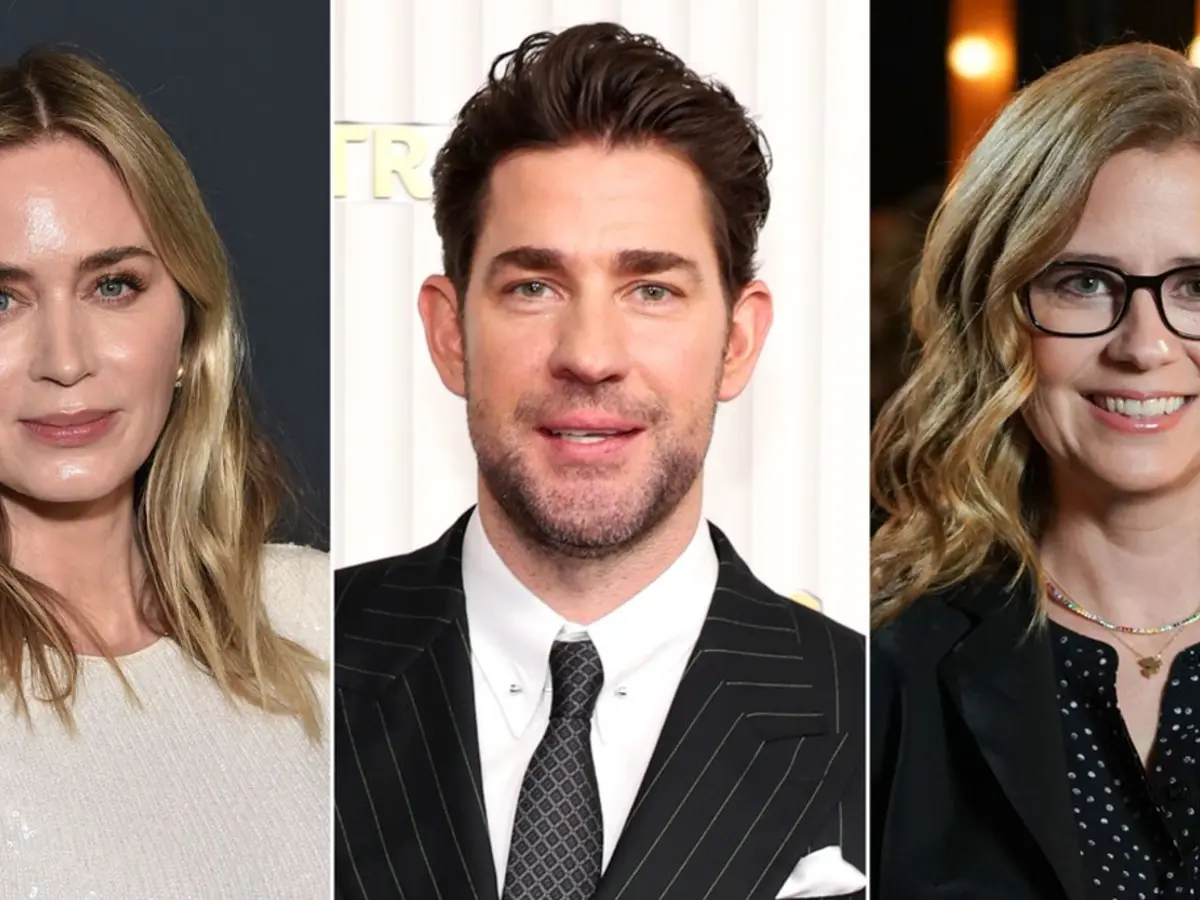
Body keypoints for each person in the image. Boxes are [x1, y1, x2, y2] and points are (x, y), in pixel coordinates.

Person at [335, 22, 865, 900]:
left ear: (737, 340)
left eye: (651, 290)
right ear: (448, 333)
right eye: (533, 287)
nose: (589, 353)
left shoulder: (877, 708)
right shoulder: (301, 671)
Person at [871, 43, 1200, 899]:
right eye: (1084, 283)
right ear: (995, 314)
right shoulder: (875, 669)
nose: (1145, 347)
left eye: (1199, 286)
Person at [0, 49, 329, 897]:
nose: (65, 361)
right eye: (1, 300)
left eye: (112, 286)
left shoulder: (331, 625)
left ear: (187, 330)